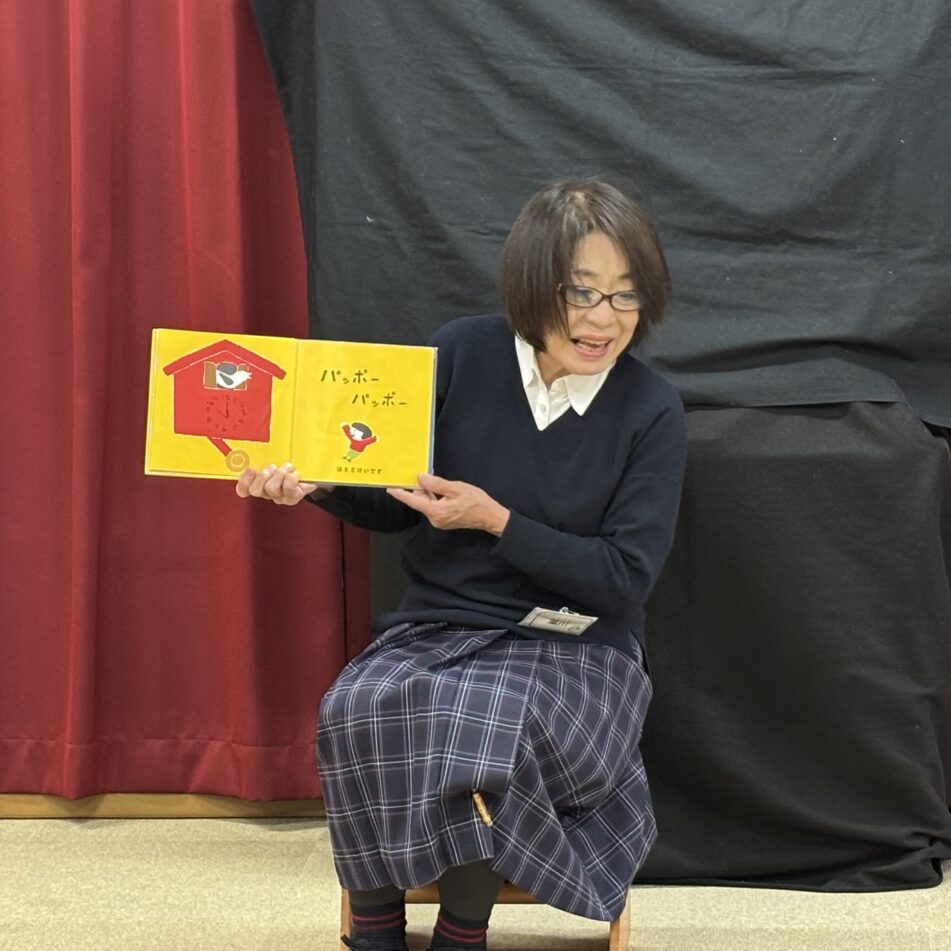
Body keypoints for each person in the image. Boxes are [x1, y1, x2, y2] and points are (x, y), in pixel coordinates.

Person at [236, 179, 686, 951]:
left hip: (581, 648)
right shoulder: (459, 353)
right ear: (531, 287)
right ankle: (375, 930)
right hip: (440, 627)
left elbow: (622, 578)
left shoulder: (651, 409)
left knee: (481, 726)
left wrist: (496, 520)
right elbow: (394, 501)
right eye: (581, 293)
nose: (603, 318)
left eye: (625, 295)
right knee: (356, 705)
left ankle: (459, 933)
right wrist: (316, 484)